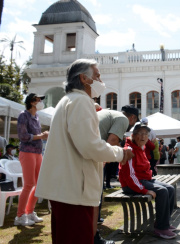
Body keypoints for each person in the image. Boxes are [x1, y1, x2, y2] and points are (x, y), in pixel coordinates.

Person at [35, 59, 134, 244]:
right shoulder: (80, 101)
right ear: (84, 78)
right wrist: (121, 153)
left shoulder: (70, 101)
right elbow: (90, 147)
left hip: (65, 189)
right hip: (74, 191)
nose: (101, 80)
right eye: (97, 76)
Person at [119, 123, 177, 239]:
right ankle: (161, 228)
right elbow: (130, 176)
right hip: (132, 184)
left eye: (145, 134)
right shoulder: (129, 150)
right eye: (140, 133)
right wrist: (144, 190)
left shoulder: (142, 147)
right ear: (133, 135)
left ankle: (163, 222)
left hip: (144, 179)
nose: (143, 136)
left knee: (170, 189)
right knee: (162, 191)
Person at [94, 105, 138, 244]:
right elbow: (112, 142)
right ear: (132, 118)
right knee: (94, 198)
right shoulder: (122, 119)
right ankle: (94, 237)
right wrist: (120, 155)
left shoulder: (108, 113)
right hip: (92, 159)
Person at [14, 93, 49, 226]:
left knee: (39, 183)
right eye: (38, 99)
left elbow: (37, 135)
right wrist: (41, 136)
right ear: (32, 102)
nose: (41, 101)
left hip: (37, 152)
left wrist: (42, 136)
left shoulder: (37, 117)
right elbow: (23, 136)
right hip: (27, 152)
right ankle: (20, 216)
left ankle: (29, 212)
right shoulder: (23, 115)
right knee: (29, 184)